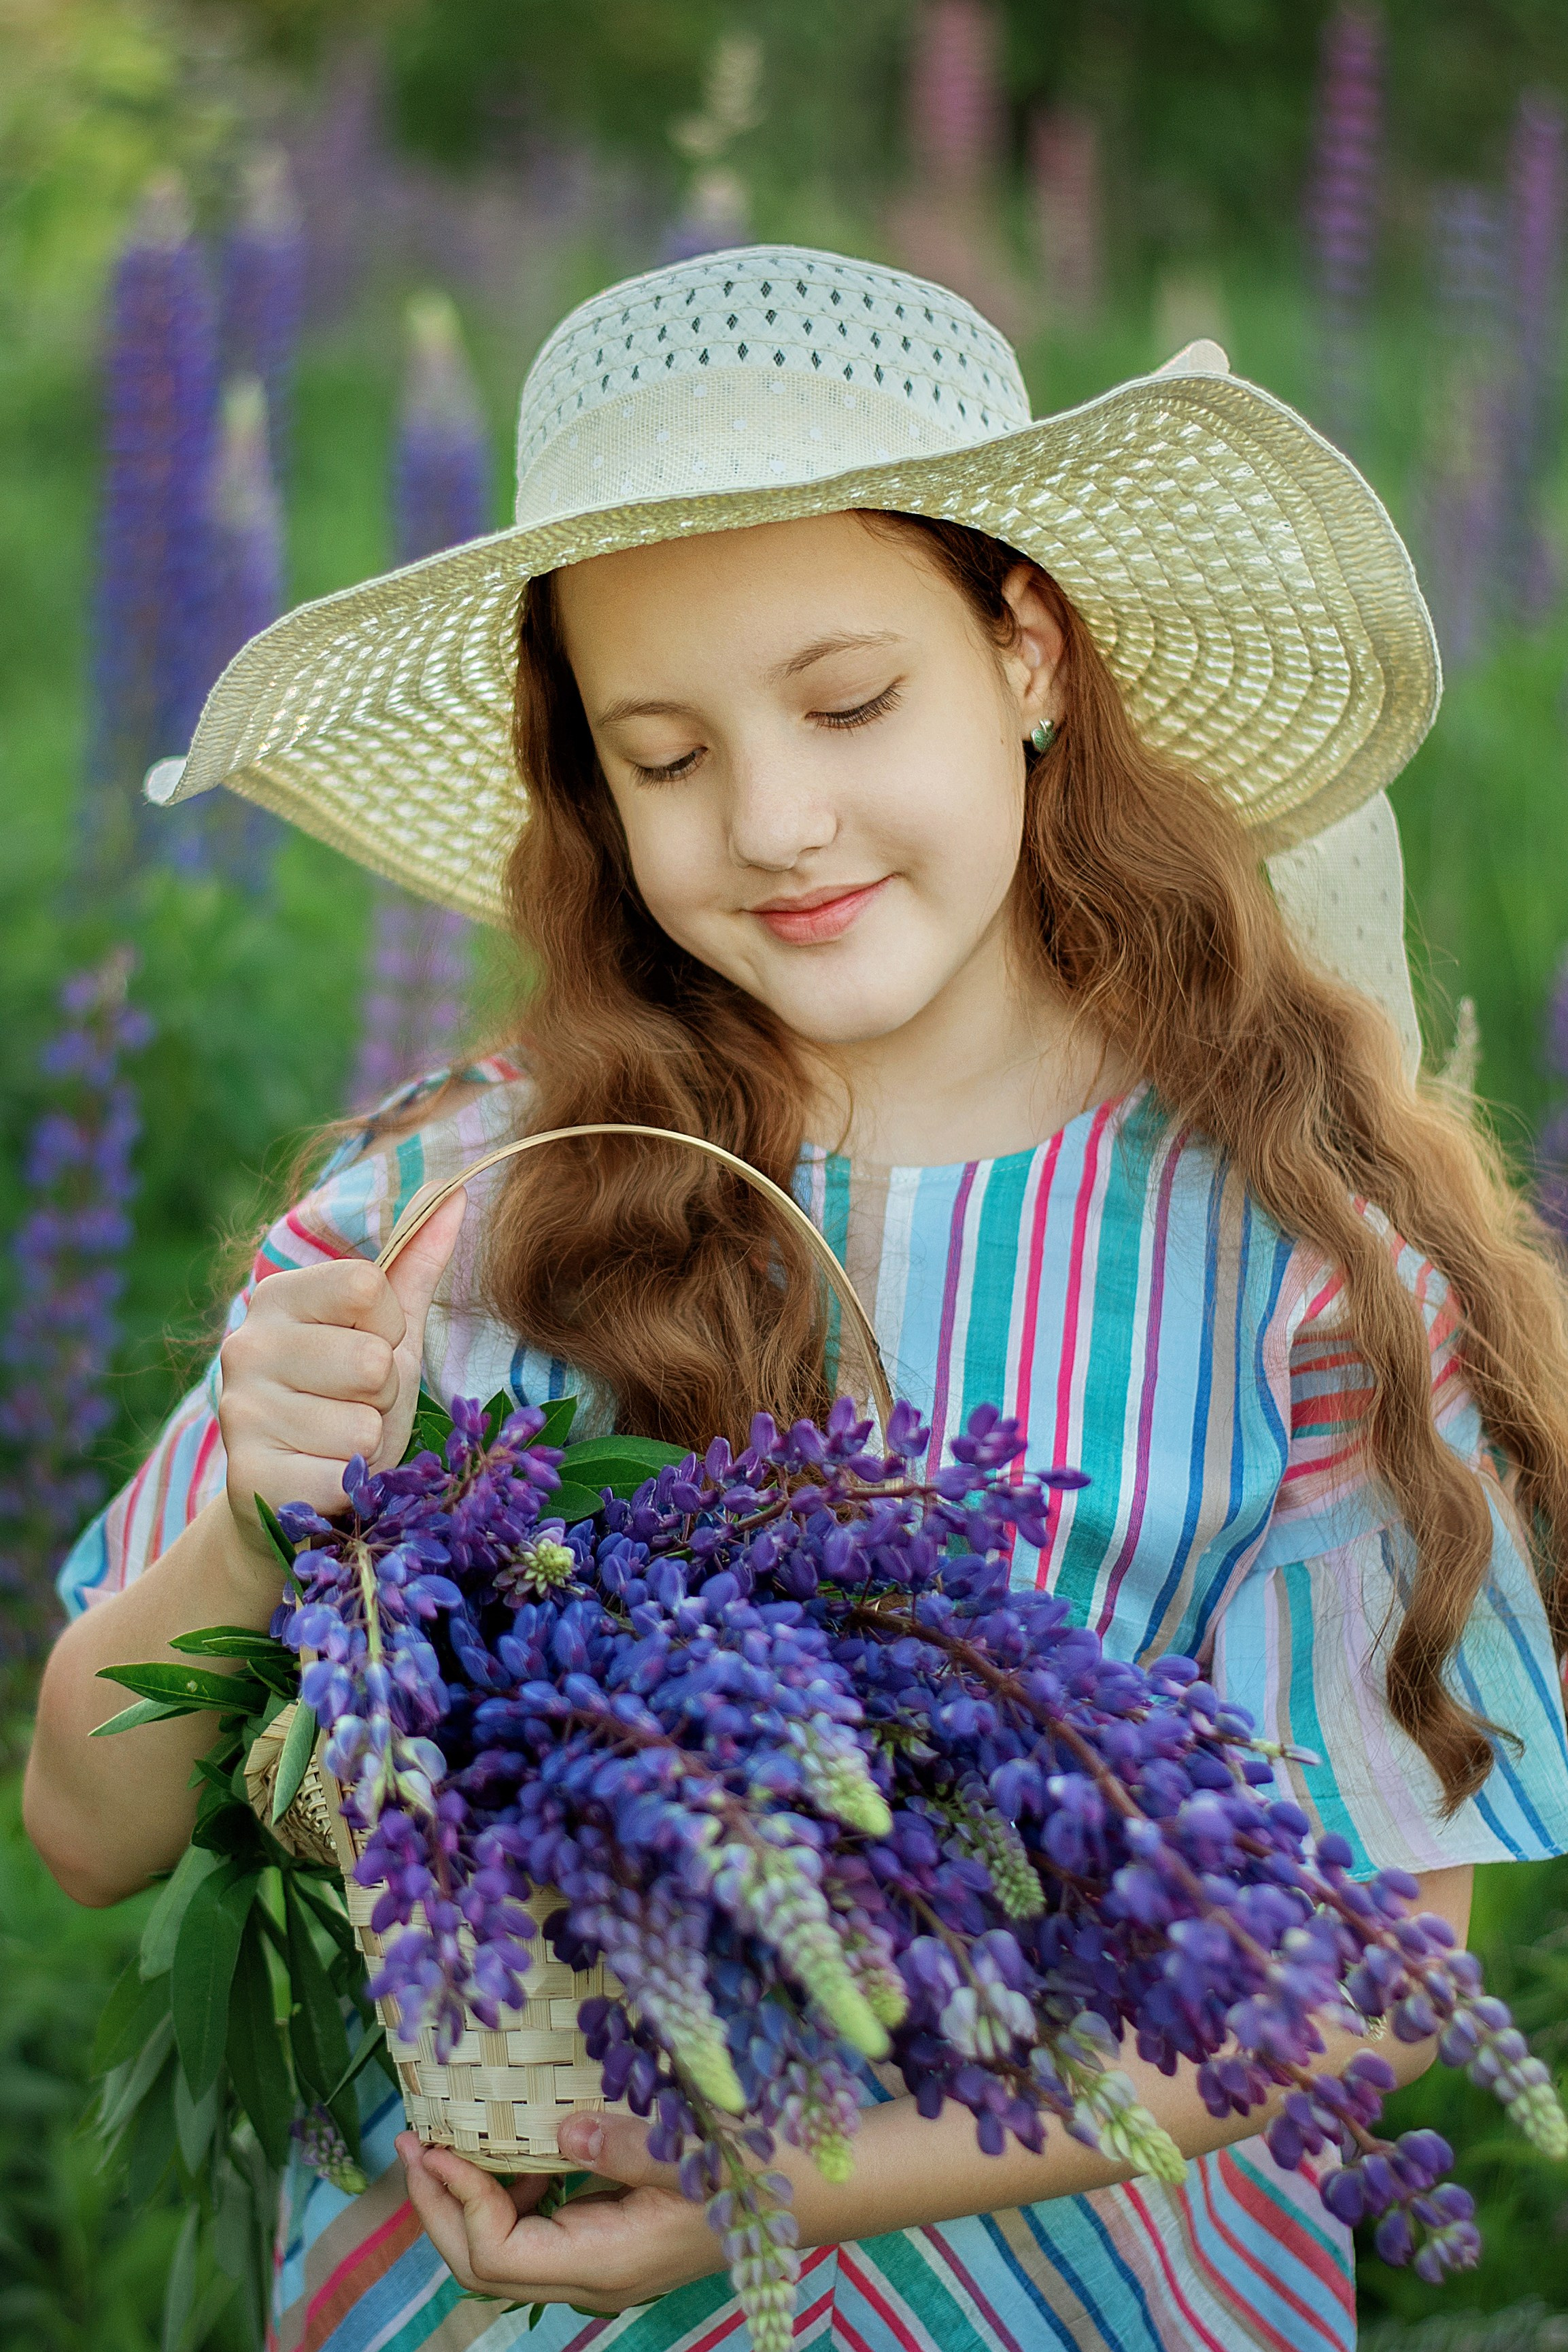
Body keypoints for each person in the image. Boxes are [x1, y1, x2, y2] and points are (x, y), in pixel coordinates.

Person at [24, 245, 1568, 2352]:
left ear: (1022, 649)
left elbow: (1358, 1977)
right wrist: (251, 1509)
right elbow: (89, 1825)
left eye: (849, 703)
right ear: (587, 786)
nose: (772, 817)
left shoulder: (1287, 1266)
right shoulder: (457, 1207)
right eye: (660, 755)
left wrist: (771, 2182)